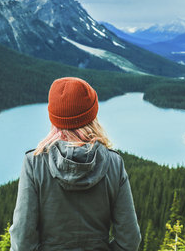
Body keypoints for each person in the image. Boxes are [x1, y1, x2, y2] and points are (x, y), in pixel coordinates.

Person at [10, 77, 141, 251]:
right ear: (92, 115)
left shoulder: (34, 163)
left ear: (54, 118)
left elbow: (22, 241)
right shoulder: (113, 163)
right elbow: (129, 240)